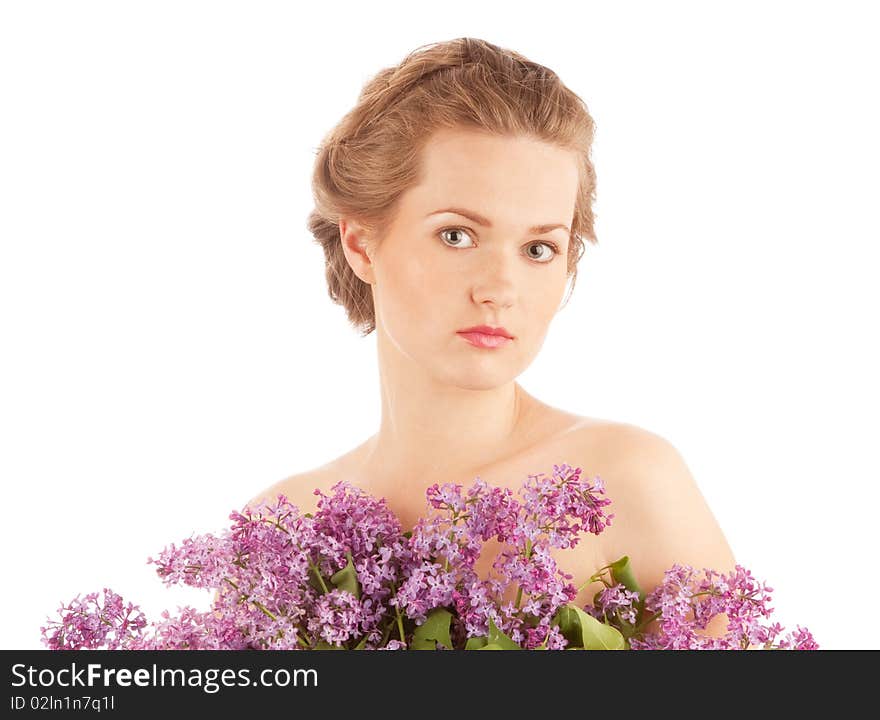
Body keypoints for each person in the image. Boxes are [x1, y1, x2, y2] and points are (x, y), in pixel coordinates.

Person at [247, 37, 736, 641]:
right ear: (360, 242)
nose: (500, 289)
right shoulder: (281, 530)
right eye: (457, 236)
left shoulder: (618, 481)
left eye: (538, 249)